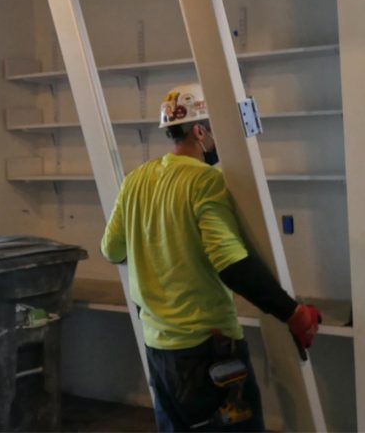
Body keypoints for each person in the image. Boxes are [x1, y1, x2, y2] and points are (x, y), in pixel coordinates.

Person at [101, 83, 321, 432]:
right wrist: (291, 312)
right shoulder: (205, 181)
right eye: (216, 131)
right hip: (205, 350)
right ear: (200, 131)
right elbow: (231, 263)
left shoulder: (136, 180)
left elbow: (111, 250)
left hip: (158, 348)